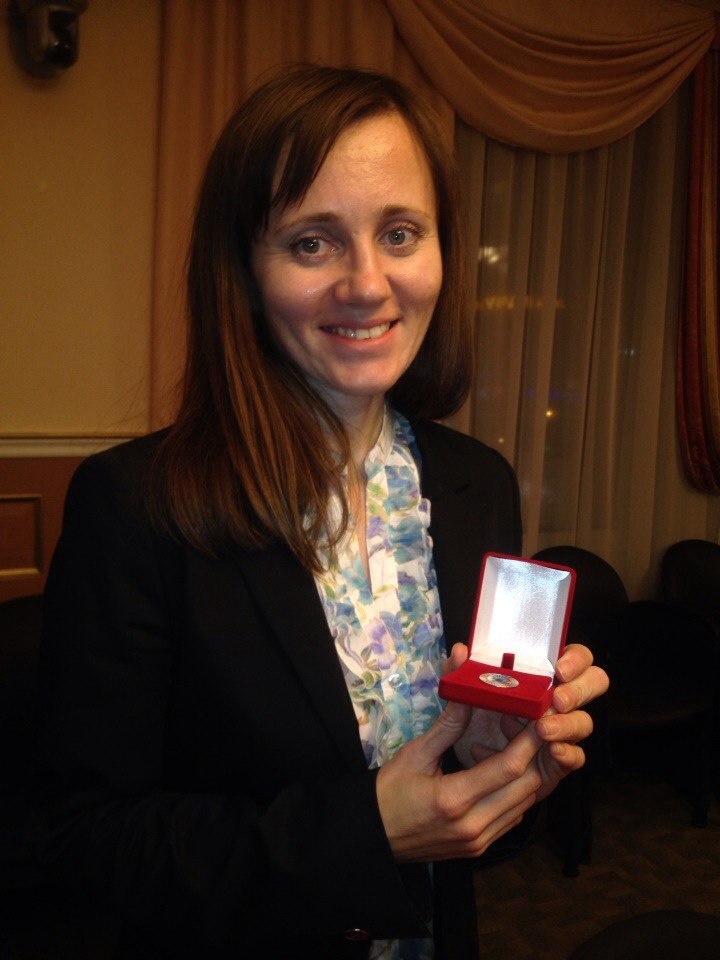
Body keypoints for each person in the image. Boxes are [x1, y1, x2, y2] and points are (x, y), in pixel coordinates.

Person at [32, 64, 609, 960]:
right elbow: (83, 845)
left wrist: (501, 762)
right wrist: (364, 833)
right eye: (312, 242)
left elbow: (466, 839)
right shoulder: (137, 507)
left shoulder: (476, 483)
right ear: (244, 270)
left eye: (400, 233)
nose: (368, 283)